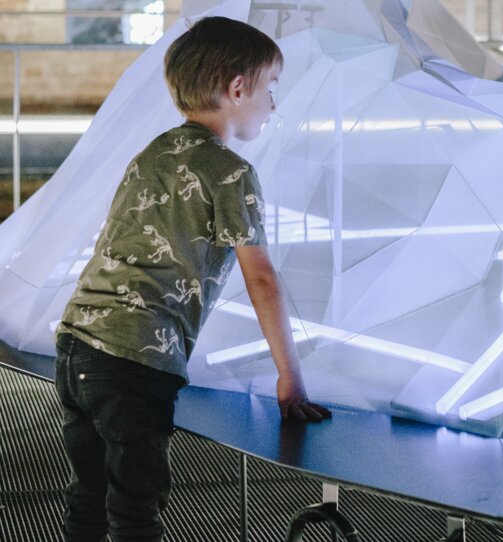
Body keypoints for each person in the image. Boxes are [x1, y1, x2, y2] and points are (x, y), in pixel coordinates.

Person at [53, 15, 332, 542]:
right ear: (238, 88)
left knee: (88, 497)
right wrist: (291, 378)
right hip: (134, 360)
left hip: (76, 345)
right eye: (271, 87)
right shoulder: (231, 172)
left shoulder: (151, 154)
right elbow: (263, 280)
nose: (275, 102)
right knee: (137, 508)